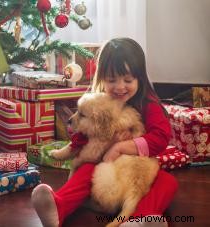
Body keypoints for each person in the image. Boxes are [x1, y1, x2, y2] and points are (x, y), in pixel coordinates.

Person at [31, 37, 178, 227]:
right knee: (86, 170)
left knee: (167, 182)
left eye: (127, 80)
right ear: (101, 78)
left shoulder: (148, 104)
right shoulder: (98, 100)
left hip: (133, 172)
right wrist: (79, 137)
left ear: (139, 78)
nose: (119, 87)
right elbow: (80, 133)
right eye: (111, 80)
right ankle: (58, 207)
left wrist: (121, 147)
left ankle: (140, 219)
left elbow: (160, 137)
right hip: (103, 175)